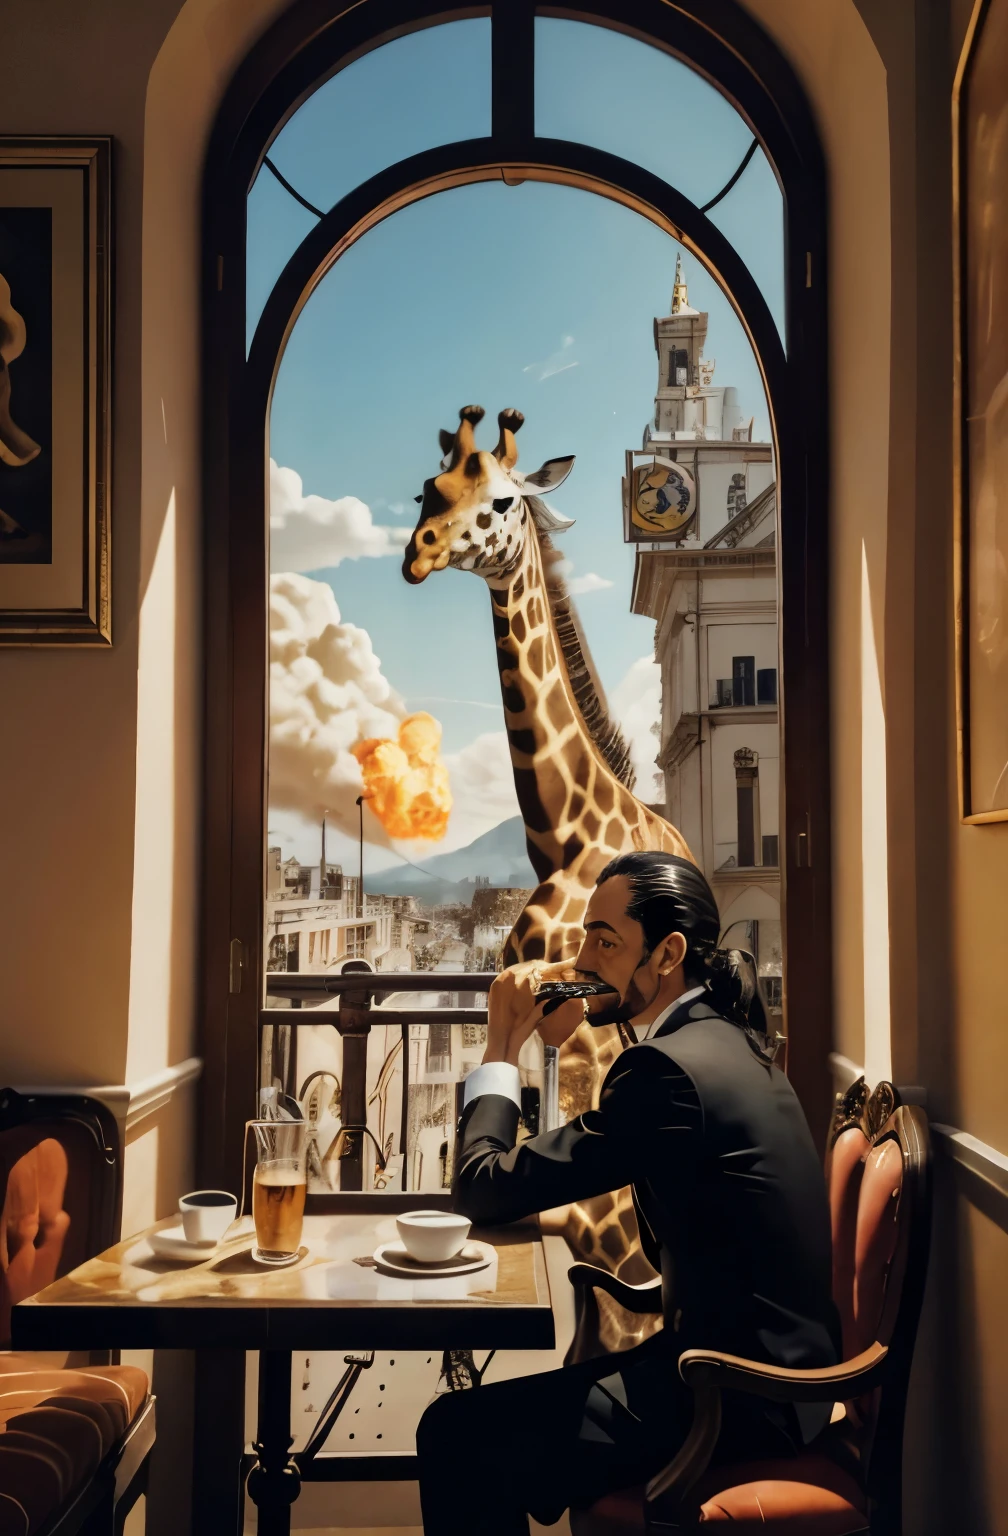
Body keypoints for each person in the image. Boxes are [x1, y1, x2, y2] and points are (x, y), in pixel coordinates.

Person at [416, 851, 840, 1535]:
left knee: (457, 1435)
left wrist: (501, 1044)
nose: (583, 958)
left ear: (667, 952)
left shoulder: (664, 1072)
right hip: (758, 1374)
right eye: (585, 936)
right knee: (487, 1431)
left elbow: (483, 1188)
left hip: (731, 1395)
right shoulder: (727, 1041)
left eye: (605, 941)